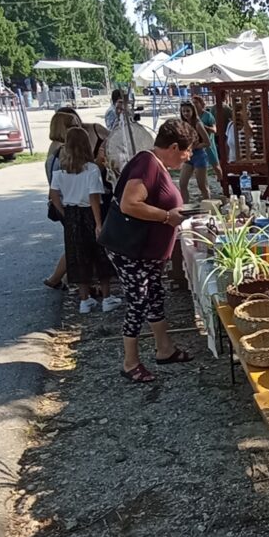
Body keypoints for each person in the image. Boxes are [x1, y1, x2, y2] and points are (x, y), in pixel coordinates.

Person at [105, 119, 197, 383]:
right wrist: (167, 216)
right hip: (131, 251)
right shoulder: (146, 163)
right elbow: (130, 204)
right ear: (175, 146)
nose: (188, 156)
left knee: (155, 296)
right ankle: (130, 362)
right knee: (138, 302)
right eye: (187, 150)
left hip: (147, 254)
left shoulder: (155, 164)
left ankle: (164, 348)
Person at [50, 128, 120, 314]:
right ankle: (106, 297)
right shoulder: (91, 169)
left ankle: (84, 300)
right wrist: (98, 223)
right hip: (89, 213)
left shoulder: (60, 171)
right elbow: (93, 198)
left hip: (72, 214)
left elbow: (54, 195)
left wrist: (64, 212)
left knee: (79, 255)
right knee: (100, 254)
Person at [44, 109, 83, 289]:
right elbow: (59, 187)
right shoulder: (62, 151)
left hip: (63, 203)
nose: (79, 128)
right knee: (76, 245)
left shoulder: (55, 149)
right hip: (66, 205)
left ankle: (62, 278)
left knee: (75, 243)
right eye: (74, 126)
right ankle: (56, 278)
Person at [178, 100, 212, 202]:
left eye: (188, 111)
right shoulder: (182, 124)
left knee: (202, 185)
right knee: (182, 184)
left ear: (193, 111)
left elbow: (207, 142)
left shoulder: (198, 124)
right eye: (183, 111)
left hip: (199, 155)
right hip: (188, 156)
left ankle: (209, 206)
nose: (186, 113)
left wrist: (195, 146)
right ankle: (185, 206)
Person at [193, 95, 220, 176]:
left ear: (201, 104)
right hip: (198, 145)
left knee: (216, 166)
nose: (194, 105)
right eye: (193, 103)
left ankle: (221, 180)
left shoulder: (208, 115)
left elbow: (214, 130)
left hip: (209, 144)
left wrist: (203, 126)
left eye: (196, 103)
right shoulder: (192, 116)